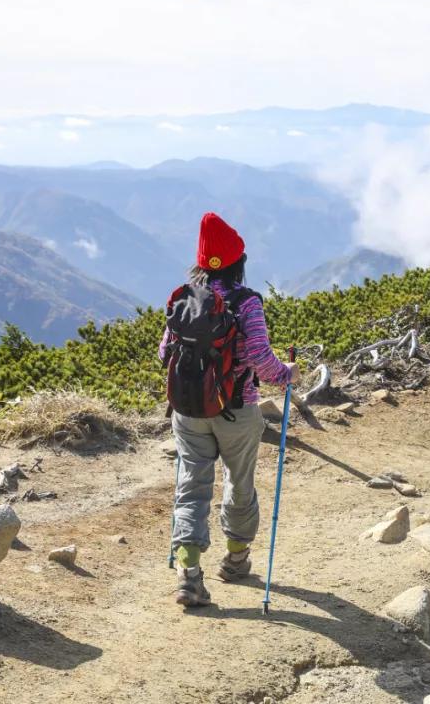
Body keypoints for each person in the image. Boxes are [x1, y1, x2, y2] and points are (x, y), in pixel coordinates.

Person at [159, 212, 299, 607]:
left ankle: (188, 576)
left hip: (188, 411)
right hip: (238, 410)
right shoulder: (247, 301)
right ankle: (236, 562)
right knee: (239, 484)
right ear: (239, 262)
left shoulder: (182, 298)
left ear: (201, 262)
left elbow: (163, 352)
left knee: (192, 488)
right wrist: (287, 374)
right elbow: (261, 359)